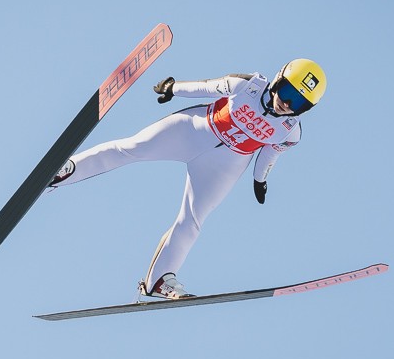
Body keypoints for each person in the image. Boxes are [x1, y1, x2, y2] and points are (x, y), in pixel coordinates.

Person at [49, 58, 328, 299]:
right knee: (131, 148)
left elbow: (270, 154)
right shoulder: (247, 86)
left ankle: (159, 281)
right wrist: (173, 88)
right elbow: (206, 87)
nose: (287, 104)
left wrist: (260, 180)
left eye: (299, 103)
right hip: (193, 130)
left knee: (193, 219)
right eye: (288, 92)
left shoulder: (290, 131)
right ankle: (65, 171)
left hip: (225, 164)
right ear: (278, 80)